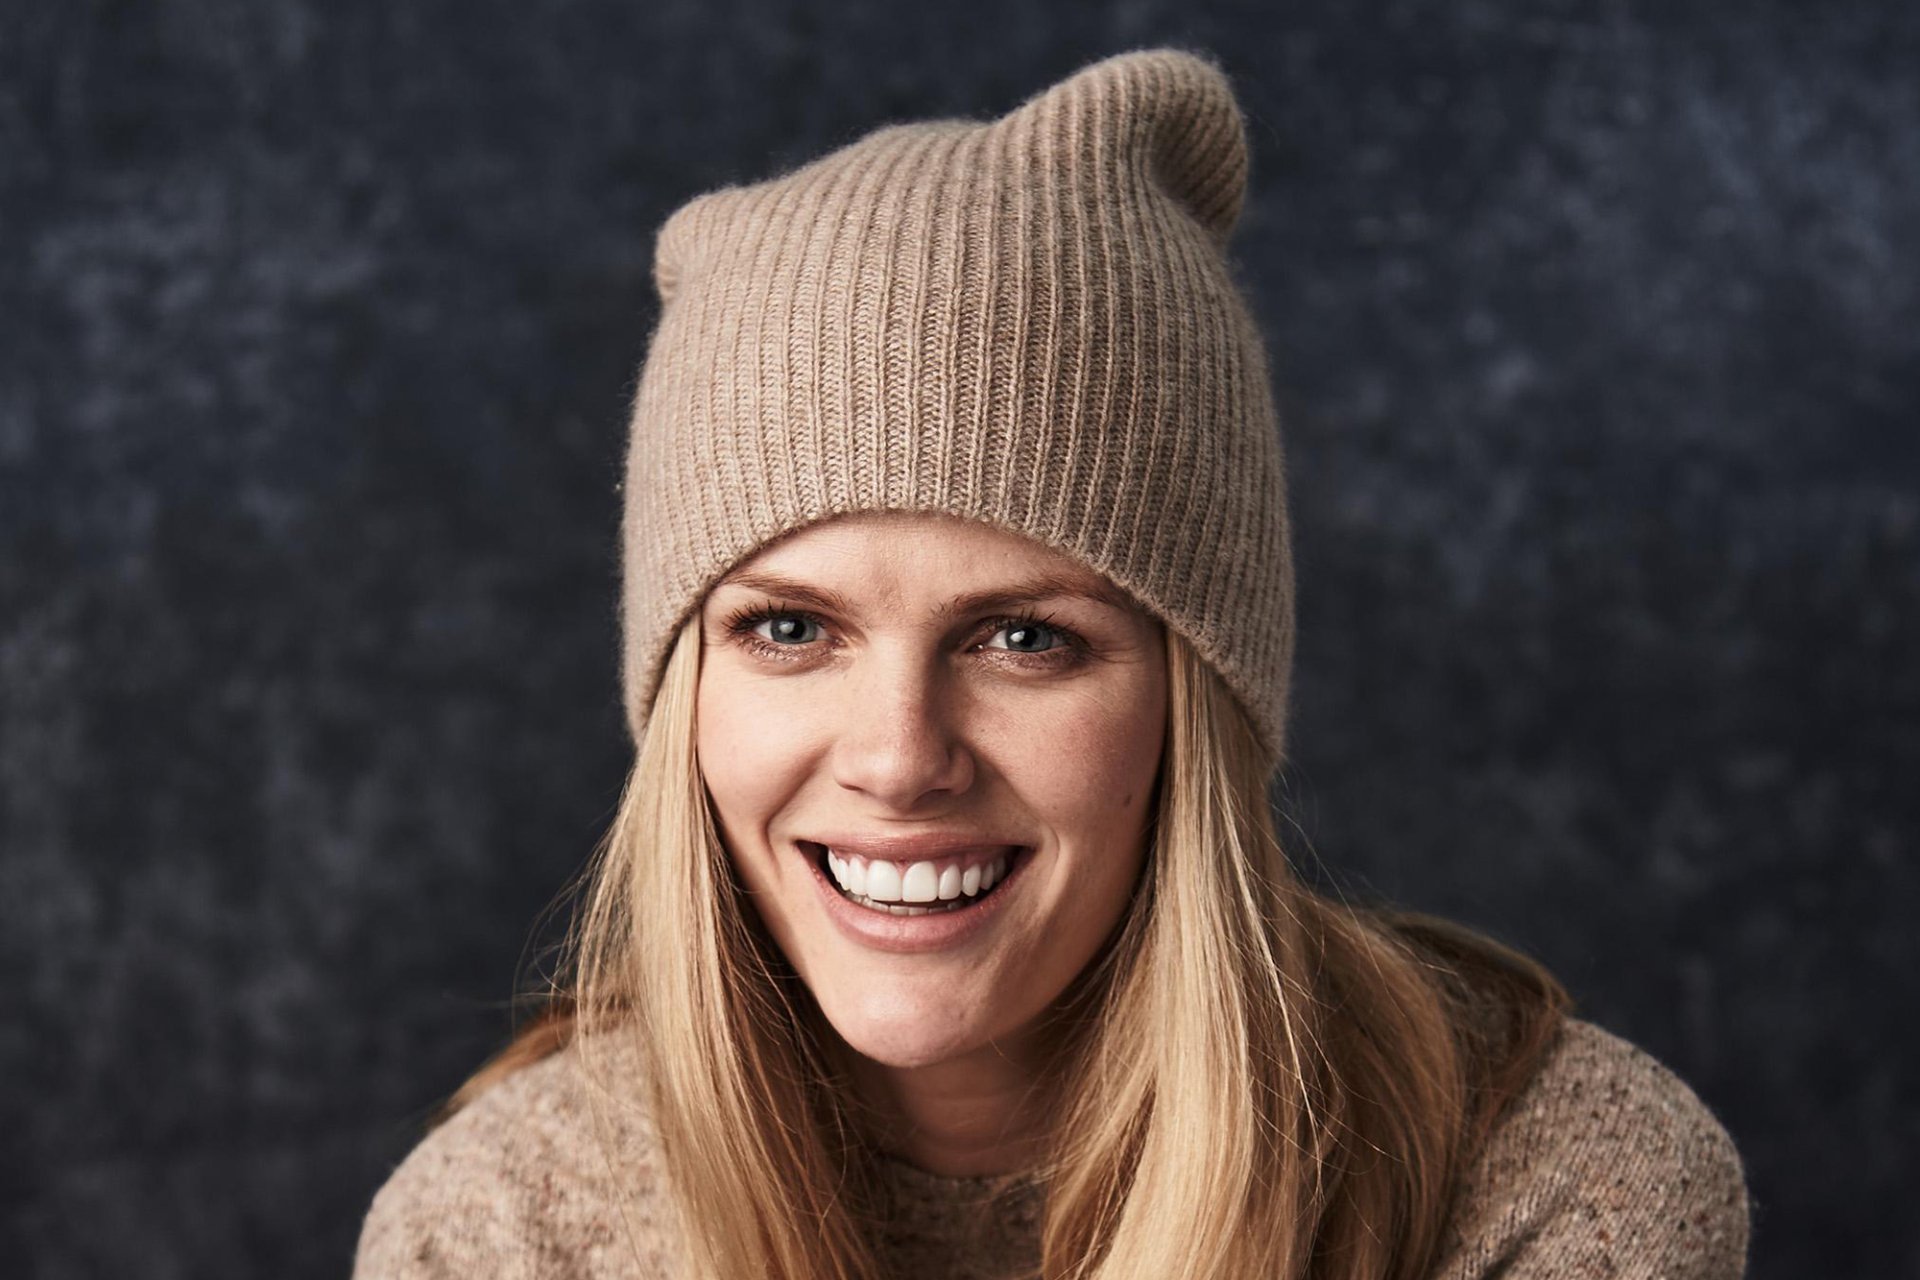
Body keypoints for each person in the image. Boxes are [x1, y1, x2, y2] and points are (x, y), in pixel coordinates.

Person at [352, 47, 1751, 1280]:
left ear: (1198, 698)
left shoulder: (1556, 1187)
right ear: (684, 700)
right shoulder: (502, 1231)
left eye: (1026, 638)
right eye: (789, 630)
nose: (899, 758)